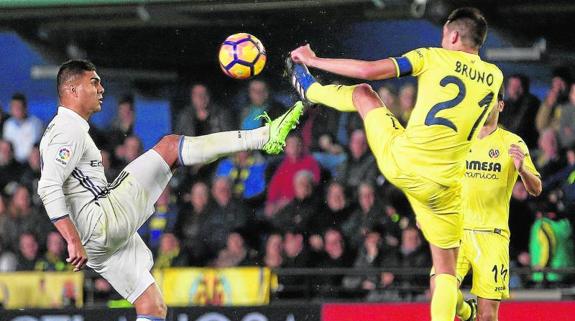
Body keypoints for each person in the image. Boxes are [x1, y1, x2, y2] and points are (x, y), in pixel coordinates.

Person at [37, 59, 303, 321]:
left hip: (95, 240)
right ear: (72, 90)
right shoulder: (66, 130)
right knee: (170, 146)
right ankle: (264, 136)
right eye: (93, 82)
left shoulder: (67, 130)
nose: (101, 89)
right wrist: (71, 240)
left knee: (151, 307)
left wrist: (77, 239)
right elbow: (48, 188)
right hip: (98, 222)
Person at [287, 7, 502, 321]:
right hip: (445, 187)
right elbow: (490, 124)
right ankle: (460, 312)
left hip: (404, 162)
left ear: (453, 35)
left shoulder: (430, 57)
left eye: (444, 34)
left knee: (363, 95)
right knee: (445, 270)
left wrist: (313, 60)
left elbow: (369, 71)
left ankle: (311, 89)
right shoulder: (495, 77)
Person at [436, 88, 541, 321]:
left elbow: (536, 189)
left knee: (488, 315)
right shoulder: (458, 139)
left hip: (492, 236)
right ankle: (466, 311)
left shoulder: (513, 143)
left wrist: (522, 170)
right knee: (439, 291)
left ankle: (476, 312)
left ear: (500, 106)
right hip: (456, 233)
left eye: (489, 101)